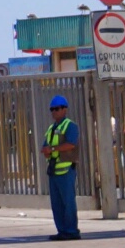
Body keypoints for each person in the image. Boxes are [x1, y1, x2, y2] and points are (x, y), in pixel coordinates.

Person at [42, 95, 81, 240]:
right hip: (53, 170)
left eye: (57, 109)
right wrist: (46, 151)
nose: (54, 112)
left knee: (68, 202)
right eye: (52, 109)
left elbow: (71, 144)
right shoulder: (51, 128)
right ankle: (62, 230)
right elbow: (45, 146)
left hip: (66, 170)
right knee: (57, 204)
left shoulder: (70, 126)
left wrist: (51, 149)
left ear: (64, 109)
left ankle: (71, 231)